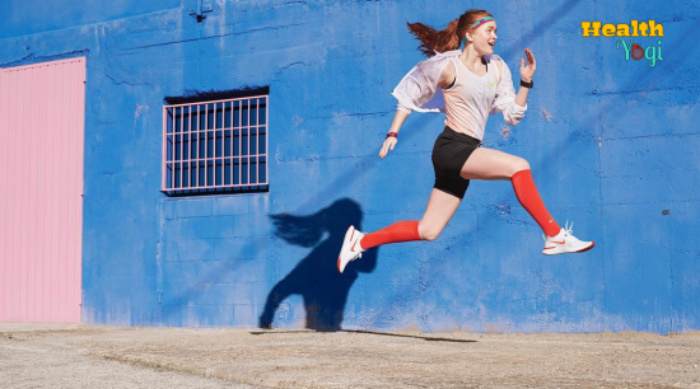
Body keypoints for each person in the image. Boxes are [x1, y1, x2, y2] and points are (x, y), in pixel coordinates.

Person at [337, 9, 594, 273]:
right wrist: (393, 133)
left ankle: (361, 241)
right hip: (451, 148)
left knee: (428, 230)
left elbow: (512, 115)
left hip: (468, 149)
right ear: (470, 35)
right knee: (519, 166)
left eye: (496, 31)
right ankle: (554, 235)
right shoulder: (450, 66)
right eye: (489, 30)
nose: (495, 36)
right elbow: (410, 93)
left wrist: (525, 83)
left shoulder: (497, 67)